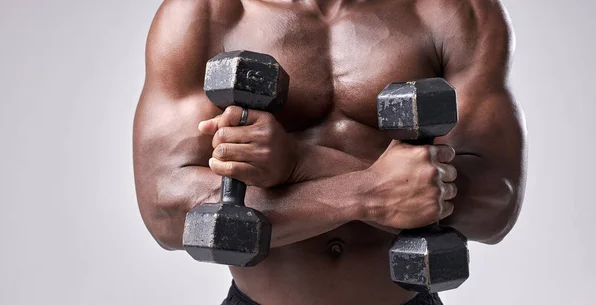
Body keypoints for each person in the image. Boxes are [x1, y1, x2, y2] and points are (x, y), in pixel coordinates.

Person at [132, 0, 527, 304]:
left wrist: (299, 163)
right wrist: (366, 193)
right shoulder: (207, 12)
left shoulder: (453, 11)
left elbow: (494, 207)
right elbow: (168, 212)